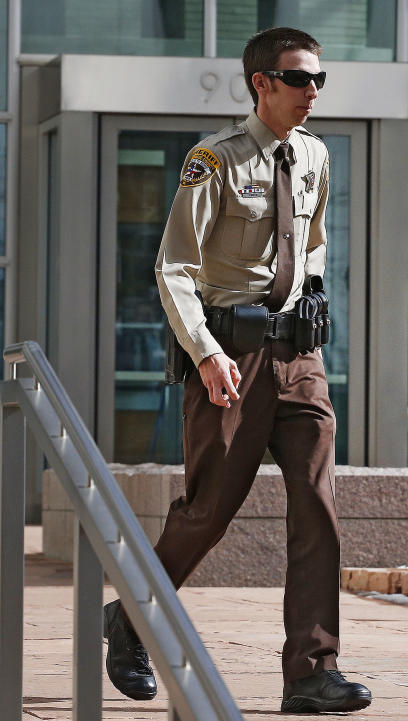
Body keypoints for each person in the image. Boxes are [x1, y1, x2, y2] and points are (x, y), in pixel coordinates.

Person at [102, 28, 373, 713]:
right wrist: (206, 352)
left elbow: (312, 241)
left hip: (300, 358)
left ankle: (312, 670)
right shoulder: (212, 161)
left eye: (319, 80)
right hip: (231, 357)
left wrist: (311, 294)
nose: (313, 91)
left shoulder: (314, 156)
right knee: (208, 511)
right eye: (300, 79)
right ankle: (130, 618)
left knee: (318, 508)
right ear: (262, 82)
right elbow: (173, 268)